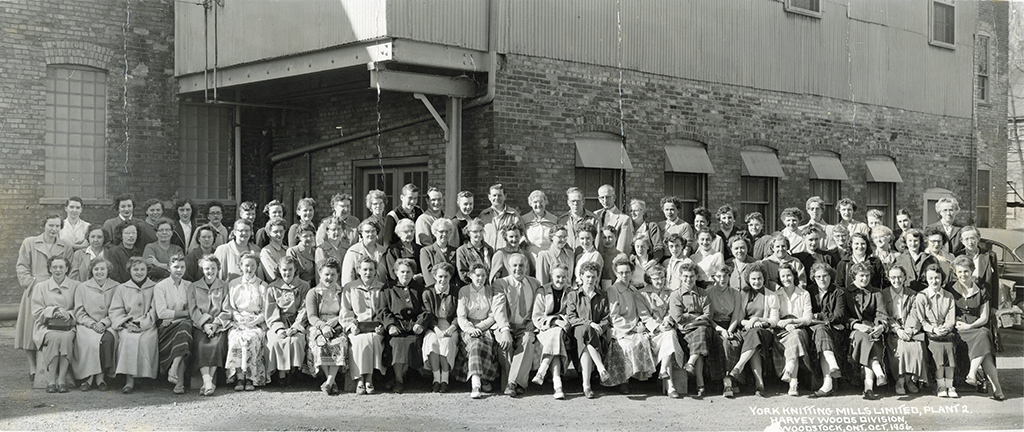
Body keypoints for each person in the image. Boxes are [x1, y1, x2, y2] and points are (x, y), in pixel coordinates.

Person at [16, 213, 74, 382]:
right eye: (51, 225)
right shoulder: (30, 243)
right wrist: (31, 284)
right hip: (36, 290)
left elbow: (68, 268)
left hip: (57, 289)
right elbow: (21, 266)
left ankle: (54, 367)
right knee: (31, 329)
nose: (54, 229)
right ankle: (33, 367)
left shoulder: (66, 246)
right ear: (44, 225)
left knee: (55, 327)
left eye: (57, 226)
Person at [949, 255, 1005, 401]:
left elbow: (984, 317)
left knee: (983, 334)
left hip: (976, 326)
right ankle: (997, 389)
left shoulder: (982, 291)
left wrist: (970, 326)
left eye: (966, 271)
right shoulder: (950, 289)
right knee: (985, 347)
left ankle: (972, 373)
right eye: (960, 272)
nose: (963, 275)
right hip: (958, 328)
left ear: (972, 271)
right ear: (955, 273)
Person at [601, 258, 656, 394]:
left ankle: (639, 376)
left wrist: (638, 324)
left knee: (644, 340)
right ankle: (623, 380)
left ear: (632, 273)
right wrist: (631, 327)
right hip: (619, 327)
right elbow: (614, 316)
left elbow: (638, 311)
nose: (624, 275)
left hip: (634, 326)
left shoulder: (633, 289)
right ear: (616, 273)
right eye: (621, 273)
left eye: (627, 272)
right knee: (625, 344)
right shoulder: (613, 290)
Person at [218, 252, 269, 391]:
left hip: (255, 322)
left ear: (257, 267)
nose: (249, 268)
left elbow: (266, 310)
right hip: (238, 322)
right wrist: (238, 318)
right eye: (246, 265)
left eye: (253, 265)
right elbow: (230, 308)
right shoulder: (233, 285)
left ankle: (251, 378)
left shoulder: (263, 286)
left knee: (251, 339)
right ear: (241, 266)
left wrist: (255, 321)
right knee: (236, 340)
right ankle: (240, 377)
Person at [727, 262, 779, 398]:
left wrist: (757, 320)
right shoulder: (743, 294)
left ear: (764, 278)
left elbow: (774, 321)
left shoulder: (772, 296)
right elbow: (739, 319)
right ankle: (759, 384)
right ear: (748, 280)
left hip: (765, 332)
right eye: (753, 279)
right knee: (753, 339)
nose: (757, 282)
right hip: (747, 330)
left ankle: (739, 366)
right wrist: (749, 323)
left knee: (755, 335)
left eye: (759, 278)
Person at [492, 253, 540, 397]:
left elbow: (539, 306)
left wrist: (534, 320)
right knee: (504, 343)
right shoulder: (501, 283)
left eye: (521, 265)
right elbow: (498, 308)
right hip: (505, 324)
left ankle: (511, 383)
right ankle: (518, 384)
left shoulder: (535, 283)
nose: (518, 269)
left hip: (525, 326)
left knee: (527, 341)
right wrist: (505, 329)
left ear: (526, 267)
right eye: (514, 265)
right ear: (508, 267)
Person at [109, 257, 159, 393]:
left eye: (142, 269)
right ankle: (129, 380)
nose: (139, 272)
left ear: (147, 271)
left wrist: (141, 323)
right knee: (127, 338)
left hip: (147, 324)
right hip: (127, 324)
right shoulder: (122, 288)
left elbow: (154, 310)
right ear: (129, 271)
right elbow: (115, 310)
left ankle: (144, 377)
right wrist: (126, 324)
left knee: (146, 339)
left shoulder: (154, 287)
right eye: (135, 269)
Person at [637, 264, 688, 397]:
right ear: (649, 279)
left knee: (669, 335)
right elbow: (644, 315)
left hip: (667, 329)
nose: (660, 281)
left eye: (662, 277)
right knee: (668, 337)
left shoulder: (671, 293)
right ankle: (669, 383)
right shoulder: (641, 294)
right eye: (655, 279)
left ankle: (667, 378)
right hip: (651, 332)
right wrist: (658, 326)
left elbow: (673, 311)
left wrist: (667, 321)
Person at [31, 255, 79, 393]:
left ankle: (62, 380)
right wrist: (53, 311)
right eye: (54, 267)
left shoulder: (76, 286)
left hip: (68, 325)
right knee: (54, 338)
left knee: (66, 338)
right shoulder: (40, 287)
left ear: (67, 269)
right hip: (46, 326)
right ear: (50, 270)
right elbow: (36, 311)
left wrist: (68, 313)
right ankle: (51, 380)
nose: (58, 270)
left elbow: (81, 308)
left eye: (61, 267)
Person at [456, 263, 504, 399]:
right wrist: (470, 329)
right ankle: (476, 383)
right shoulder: (464, 291)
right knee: (475, 344)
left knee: (487, 344)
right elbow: (461, 316)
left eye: (483, 275)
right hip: (468, 326)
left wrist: (480, 327)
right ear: (471, 275)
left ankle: (484, 378)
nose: (480, 278)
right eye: (477, 275)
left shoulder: (490, 291)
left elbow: (493, 315)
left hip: (486, 326)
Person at [378, 258, 426, 394]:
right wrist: (390, 325)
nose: (405, 275)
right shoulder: (388, 289)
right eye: (402, 272)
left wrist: (420, 323)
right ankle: (399, 380)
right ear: (396, 273)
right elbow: (382, 310)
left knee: (412, 342)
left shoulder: (419, 288)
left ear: (412, 273)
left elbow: (425, 310)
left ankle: (400, 377)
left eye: (408, 272)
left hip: (413, 327)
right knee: (398, 343)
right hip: (396, 327)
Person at [341, 256, 387, 395]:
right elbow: (345, 311)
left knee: (373, 339)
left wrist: (382, 327)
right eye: (365, 269)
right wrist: (351, 326)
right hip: (357, 328)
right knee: (359, 341)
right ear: (358, 270)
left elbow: (386, 311)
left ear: (375, 271)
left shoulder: (382, 288)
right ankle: (360, 379)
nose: (368, 273)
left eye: (371, 270)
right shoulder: (350, 288)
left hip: (376, 328)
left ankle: (369, 379)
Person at [565, 261, 611, 399]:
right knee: (585, 330)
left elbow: (606, 318)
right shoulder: (573, 295)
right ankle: (600, 368)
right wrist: (590, 323)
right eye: (587, 276)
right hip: (577, 335)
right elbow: (571, 317)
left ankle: (586, 386)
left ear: (597, 278)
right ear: (581, 276)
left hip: (596, 337)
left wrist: (599, 328)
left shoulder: (602, 295)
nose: (590, 280)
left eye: (593, 277)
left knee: (588, 337)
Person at [845, 261, 890, 400]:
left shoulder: (876, 292)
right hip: (854, 330)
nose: (865, 279)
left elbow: (881, 314)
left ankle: (868, 389)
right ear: (854, 276)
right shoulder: (846, 292)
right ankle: (878, 371)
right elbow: (844, 316)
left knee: (871, 339)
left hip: (871, 328)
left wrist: (880, 326)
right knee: (865, 338)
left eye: (867, 275)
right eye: (861, 276)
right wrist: (856, 325)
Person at [72, 257, 119, 391]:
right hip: (87, 325)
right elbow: (79, 312)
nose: (99, 272)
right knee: (90, 342)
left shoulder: (116, 286)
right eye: (96, 269)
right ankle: (90, 377)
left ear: (108, 270)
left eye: (102, 269)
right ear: (91, 271)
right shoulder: (82, 287)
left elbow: (118, 310)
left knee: (107, 339)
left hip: (109, 324)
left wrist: (104, 323)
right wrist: (92, 324)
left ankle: (101, 377)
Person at [900, 265, 946, 396]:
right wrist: (912, 329)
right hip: (923, 328)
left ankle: (937, 382)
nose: (934, 281)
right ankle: (907, 380)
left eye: (937, 278)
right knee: (911, 345)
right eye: (930, 278)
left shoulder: (947, 296)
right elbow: (917, 316)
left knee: (920, 345)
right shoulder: (921, 296)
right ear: (926, 279)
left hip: (939, 330)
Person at [305, 258, 348, 395]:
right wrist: (323, 327)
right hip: (319, 324)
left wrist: (337, 320)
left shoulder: (342, 292)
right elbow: (311, 316)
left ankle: (329, 382)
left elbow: (346, 311)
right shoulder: (313, 293)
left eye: (333, 275)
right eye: (326, 274)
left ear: (338, 275)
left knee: (340, 342)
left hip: (338, 323)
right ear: (320, 274)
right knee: (319, 342)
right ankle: (332, 382)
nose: (329, 278)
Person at [187, 255, 229, 396]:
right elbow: (193, 309)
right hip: (201, 325)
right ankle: (208, 381)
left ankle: (207, 382)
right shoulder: (193, 286)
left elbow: (227, 308)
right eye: (206, 269)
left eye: (213, 268)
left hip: (218, 324)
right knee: (201, 344)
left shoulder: (224, 286)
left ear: (218, 269)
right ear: (201, 269)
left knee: (217, 344)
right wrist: (204, 324)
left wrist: (216, 324)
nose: (210, 271)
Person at [668, 262, 712, 398]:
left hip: (700, 330)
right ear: (680, 277)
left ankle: (691, 364)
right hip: (683, 332)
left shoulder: (703, 294)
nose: (689, 280)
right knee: (701, 334)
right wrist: (697, 316)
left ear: (696, 277)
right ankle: (700, 384)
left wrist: (690, 317)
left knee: (702, 332)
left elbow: (709, 315)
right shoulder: (676, 295)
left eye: (692, 276)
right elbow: (678, 318)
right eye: (685, 276)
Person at [265, 255, 310, 386]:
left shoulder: (303, 286)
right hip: (279, 322)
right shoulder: (272, 288)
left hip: (297, 322)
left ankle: (294, 371)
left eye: (290, 269)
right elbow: (271, 312)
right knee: (276, 340)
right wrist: (279, 329)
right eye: (284, 270)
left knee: (296, 340)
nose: (287, 273)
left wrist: (296, 326)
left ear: (295, 269)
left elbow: (304, 308)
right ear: (279, 270)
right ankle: (281, 373)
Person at [153, 253, 192, 394]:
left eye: (182, 267)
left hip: (183, 326)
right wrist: (184, 314)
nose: (179, 270)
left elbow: (192, 310)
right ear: (169, 268)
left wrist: (175, 315)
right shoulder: (160, 287)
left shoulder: (189, 286)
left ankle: (174, 371)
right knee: (184, 329)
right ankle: (178, 379)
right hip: (166, 327)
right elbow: (162, 313)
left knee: (184, 331)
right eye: (176, 267)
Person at [531, 263, 571, 399]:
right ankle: (557, 384)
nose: (561, 280)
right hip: (544, 329)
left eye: (564, 277)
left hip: (562, 329)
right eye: (557, 277)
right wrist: (554, 322)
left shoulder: (570, 292)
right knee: (555, 335)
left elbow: (571, 314)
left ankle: (542, 371)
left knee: (557, 333)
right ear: (551, 276)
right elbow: (537, 317)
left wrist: (560, 321)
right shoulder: (542, 291)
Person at [806, 263, 847, 398]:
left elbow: (839, 315)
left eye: (825, 276)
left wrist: (818, 316)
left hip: (833, 332)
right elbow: (806, 314)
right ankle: (832, 366)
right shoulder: (809, 291)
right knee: (820, 330)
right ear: (814, 278)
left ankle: (828, 382)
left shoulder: (838, 292)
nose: (822, 279)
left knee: (821, 330)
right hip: (813, 331)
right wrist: (827, 319)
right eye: (818, 277)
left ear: (831, 276)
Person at [773, 263, 814, 397]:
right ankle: (793, 381)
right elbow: (774, 318)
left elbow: (808, 318)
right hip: (781, 330)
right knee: (793, 338)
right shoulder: (776, 295)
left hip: (799, 328)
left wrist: (792, 322)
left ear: (794, 276)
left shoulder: (804, 293)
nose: (786, 279)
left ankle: (791, 374)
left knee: (796, 335)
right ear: (779, 278)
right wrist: (785, 325)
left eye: (789, 275)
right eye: (783, 276)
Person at [706, 265, 744, 398]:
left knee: (734, 343)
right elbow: (709, 317)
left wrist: (729, 330)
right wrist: (721, 330)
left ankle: (732, 380)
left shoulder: (735, 293)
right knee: (723, 343)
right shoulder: (708, 293)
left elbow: (735, 316)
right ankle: (726, 381)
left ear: (729, 277)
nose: (722, 279)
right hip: (715, 326)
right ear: (713, 278)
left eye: (725, 276)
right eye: (718, 276)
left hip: (731, 325)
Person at [421, 263, 460, 393]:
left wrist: (452, 328)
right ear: (434, 276)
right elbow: (427, 314)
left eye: (446, 277)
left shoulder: (456, 291)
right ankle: (436, 379)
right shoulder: (427, 292)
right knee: (432, 342)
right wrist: (435, 329)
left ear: (450, 277)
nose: (443, 280)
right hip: (433, 326)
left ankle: (445, 380)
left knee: (446, 343)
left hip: (450, 326)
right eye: (440, 276)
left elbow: (459, 314)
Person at [959, 226, 1000, 311]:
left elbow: (995, 281)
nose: (970, 242)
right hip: (964, 302)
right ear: (962, 241)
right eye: (966, 239)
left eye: (972, 238)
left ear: (978, 239)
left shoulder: (990, 256)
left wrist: (994, 306)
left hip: (985, 301)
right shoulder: (957, 256)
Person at [341, 220, 385, 286]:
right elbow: (347, 278)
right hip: (359, 292)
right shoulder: (353, 251)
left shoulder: (384, 251)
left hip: (381, 292)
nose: (370, 234)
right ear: (361, 233)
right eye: (367, 231)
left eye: (373, 231)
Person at [594, 185, 634, 254]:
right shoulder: (595, 215)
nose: (605, 200)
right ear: (599, 199)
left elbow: (623, 248)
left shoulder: (624, 219)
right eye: (602, 197)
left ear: (614, 197)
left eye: (608, 197)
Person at [381, 219, 422, 284]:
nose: (410, 234)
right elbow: (393, 273)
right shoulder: (393, 250)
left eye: (412, 231)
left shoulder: (419, 248)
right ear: (399, 234)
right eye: (406, 232)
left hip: (419, 286)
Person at [521, 190, 558, 262]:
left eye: (541, 202)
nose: (538, 205)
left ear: (545, 202)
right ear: (530, 203)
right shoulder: (524, 219)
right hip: (530, 256)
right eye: (535, 202)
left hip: (549, 255)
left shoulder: (554, 219)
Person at [419, 218, 458, 286]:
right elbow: (428, 274)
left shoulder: (456, 251)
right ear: (435, 232)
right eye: (441, 231)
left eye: (447, 231)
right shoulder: (426, 251)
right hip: (434, 290)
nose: (444, 234)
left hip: (452, 290)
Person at [558, 187, 599, 251]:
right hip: (568, 258)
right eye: (573, 201)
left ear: (583, 201)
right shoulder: (562, 220)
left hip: (587, 257)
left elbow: (598, 244)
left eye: (578, 201)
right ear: (568, 203)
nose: (575, 204)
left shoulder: (594, 220)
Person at [894, 228, 934, 293]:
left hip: (925, 293)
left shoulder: (930, 258)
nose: (913, 243)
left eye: (915, 240)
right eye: (910, 240)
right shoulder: (899, 259)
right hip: (906, 293)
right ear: (905, 242)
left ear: (920, 241)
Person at [455, 218, 494, 285]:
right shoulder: (462, 251)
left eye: (481, 231)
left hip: (487, 288)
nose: (478, 234)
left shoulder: (489, 249)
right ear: (469, 233)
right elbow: (463, 273)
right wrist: (478, 283)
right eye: (475, 232)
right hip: (470, 288)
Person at [658, 196, 694, 261]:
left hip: (678, 258)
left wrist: (680, 261)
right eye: (666, 209)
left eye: (672, 209)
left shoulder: (685, 226)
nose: (669, 212)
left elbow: (687, 247)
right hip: (662, 259)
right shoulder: (660, 225)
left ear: (678, 210)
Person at [260, 217, 289, 282]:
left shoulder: (287, 249)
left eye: (281, 231)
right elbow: (272, 275)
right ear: (269, 233)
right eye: (275, 232)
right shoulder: (266, 251)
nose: (279, 234)